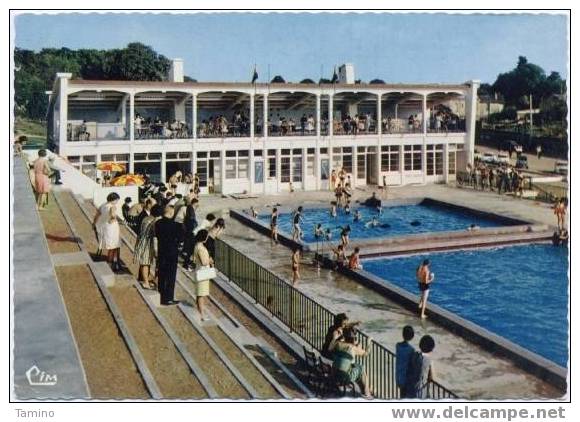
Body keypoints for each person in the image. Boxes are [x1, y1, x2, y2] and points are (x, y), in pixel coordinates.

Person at [329, 328, 373, 398]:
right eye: (355, 338)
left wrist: (334, 338)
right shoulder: (352, 348)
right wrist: (369, 342)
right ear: (353, 339)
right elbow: (366, 353)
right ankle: (367, 393)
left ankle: (364, 390)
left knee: (357, 367)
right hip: (344, 378)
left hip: (334, 374)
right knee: (362, 368)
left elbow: (330, 348)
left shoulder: (338, 343)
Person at [155, 205, 183, 306]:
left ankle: (161, 295)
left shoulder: (157, 223)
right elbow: (181, 239)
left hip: (162, 251)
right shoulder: (176, 225)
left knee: (162, 273)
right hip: (172, 253)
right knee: (171, 276)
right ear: (171, 213)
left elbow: (157, 235)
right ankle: (168, 298)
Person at [133, 204, 163, 290]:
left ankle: (145, 280)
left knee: (145, 263)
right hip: (147, 242)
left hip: (142, 241)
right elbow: (155, 233)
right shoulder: (154, 221)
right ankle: (146, 282)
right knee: (145, 263)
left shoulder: (146, 218)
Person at [93, 192, 123, 270]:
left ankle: (112, 263)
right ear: (113, 200)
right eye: (116, 200)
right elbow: (113, 216)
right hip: (112, 227)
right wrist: (115, 219)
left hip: (105, 227)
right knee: (114, 245)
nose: (117, 202)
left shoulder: (103, 205)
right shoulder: (112, 207)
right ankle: (113, 263)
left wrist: (94, 224)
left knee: (110, 245)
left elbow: (97, 215)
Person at [192, 229, 214, 320]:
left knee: (199, 294)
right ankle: (202, 315)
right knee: (201, 294)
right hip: (202, 272)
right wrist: (210, 260)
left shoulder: (197, 246)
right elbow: (204, 262)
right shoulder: (200, 248)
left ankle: (200, 312)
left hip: (200, 271)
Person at [396, 326, 416, 398]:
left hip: (399, 376)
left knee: (402, 395)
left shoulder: (398, 345)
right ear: (412, 337)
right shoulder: (411, 350)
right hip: (406, 378)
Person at [182, 198, 199, 271]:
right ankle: (186, 263)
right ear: (195, 203)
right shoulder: (191, 209)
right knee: (190, 248)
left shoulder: (189, 208)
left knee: (189, 248)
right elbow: (192, 220)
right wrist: (195, 228)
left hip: (188, 231)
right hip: (190, 232)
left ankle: (187, 262)